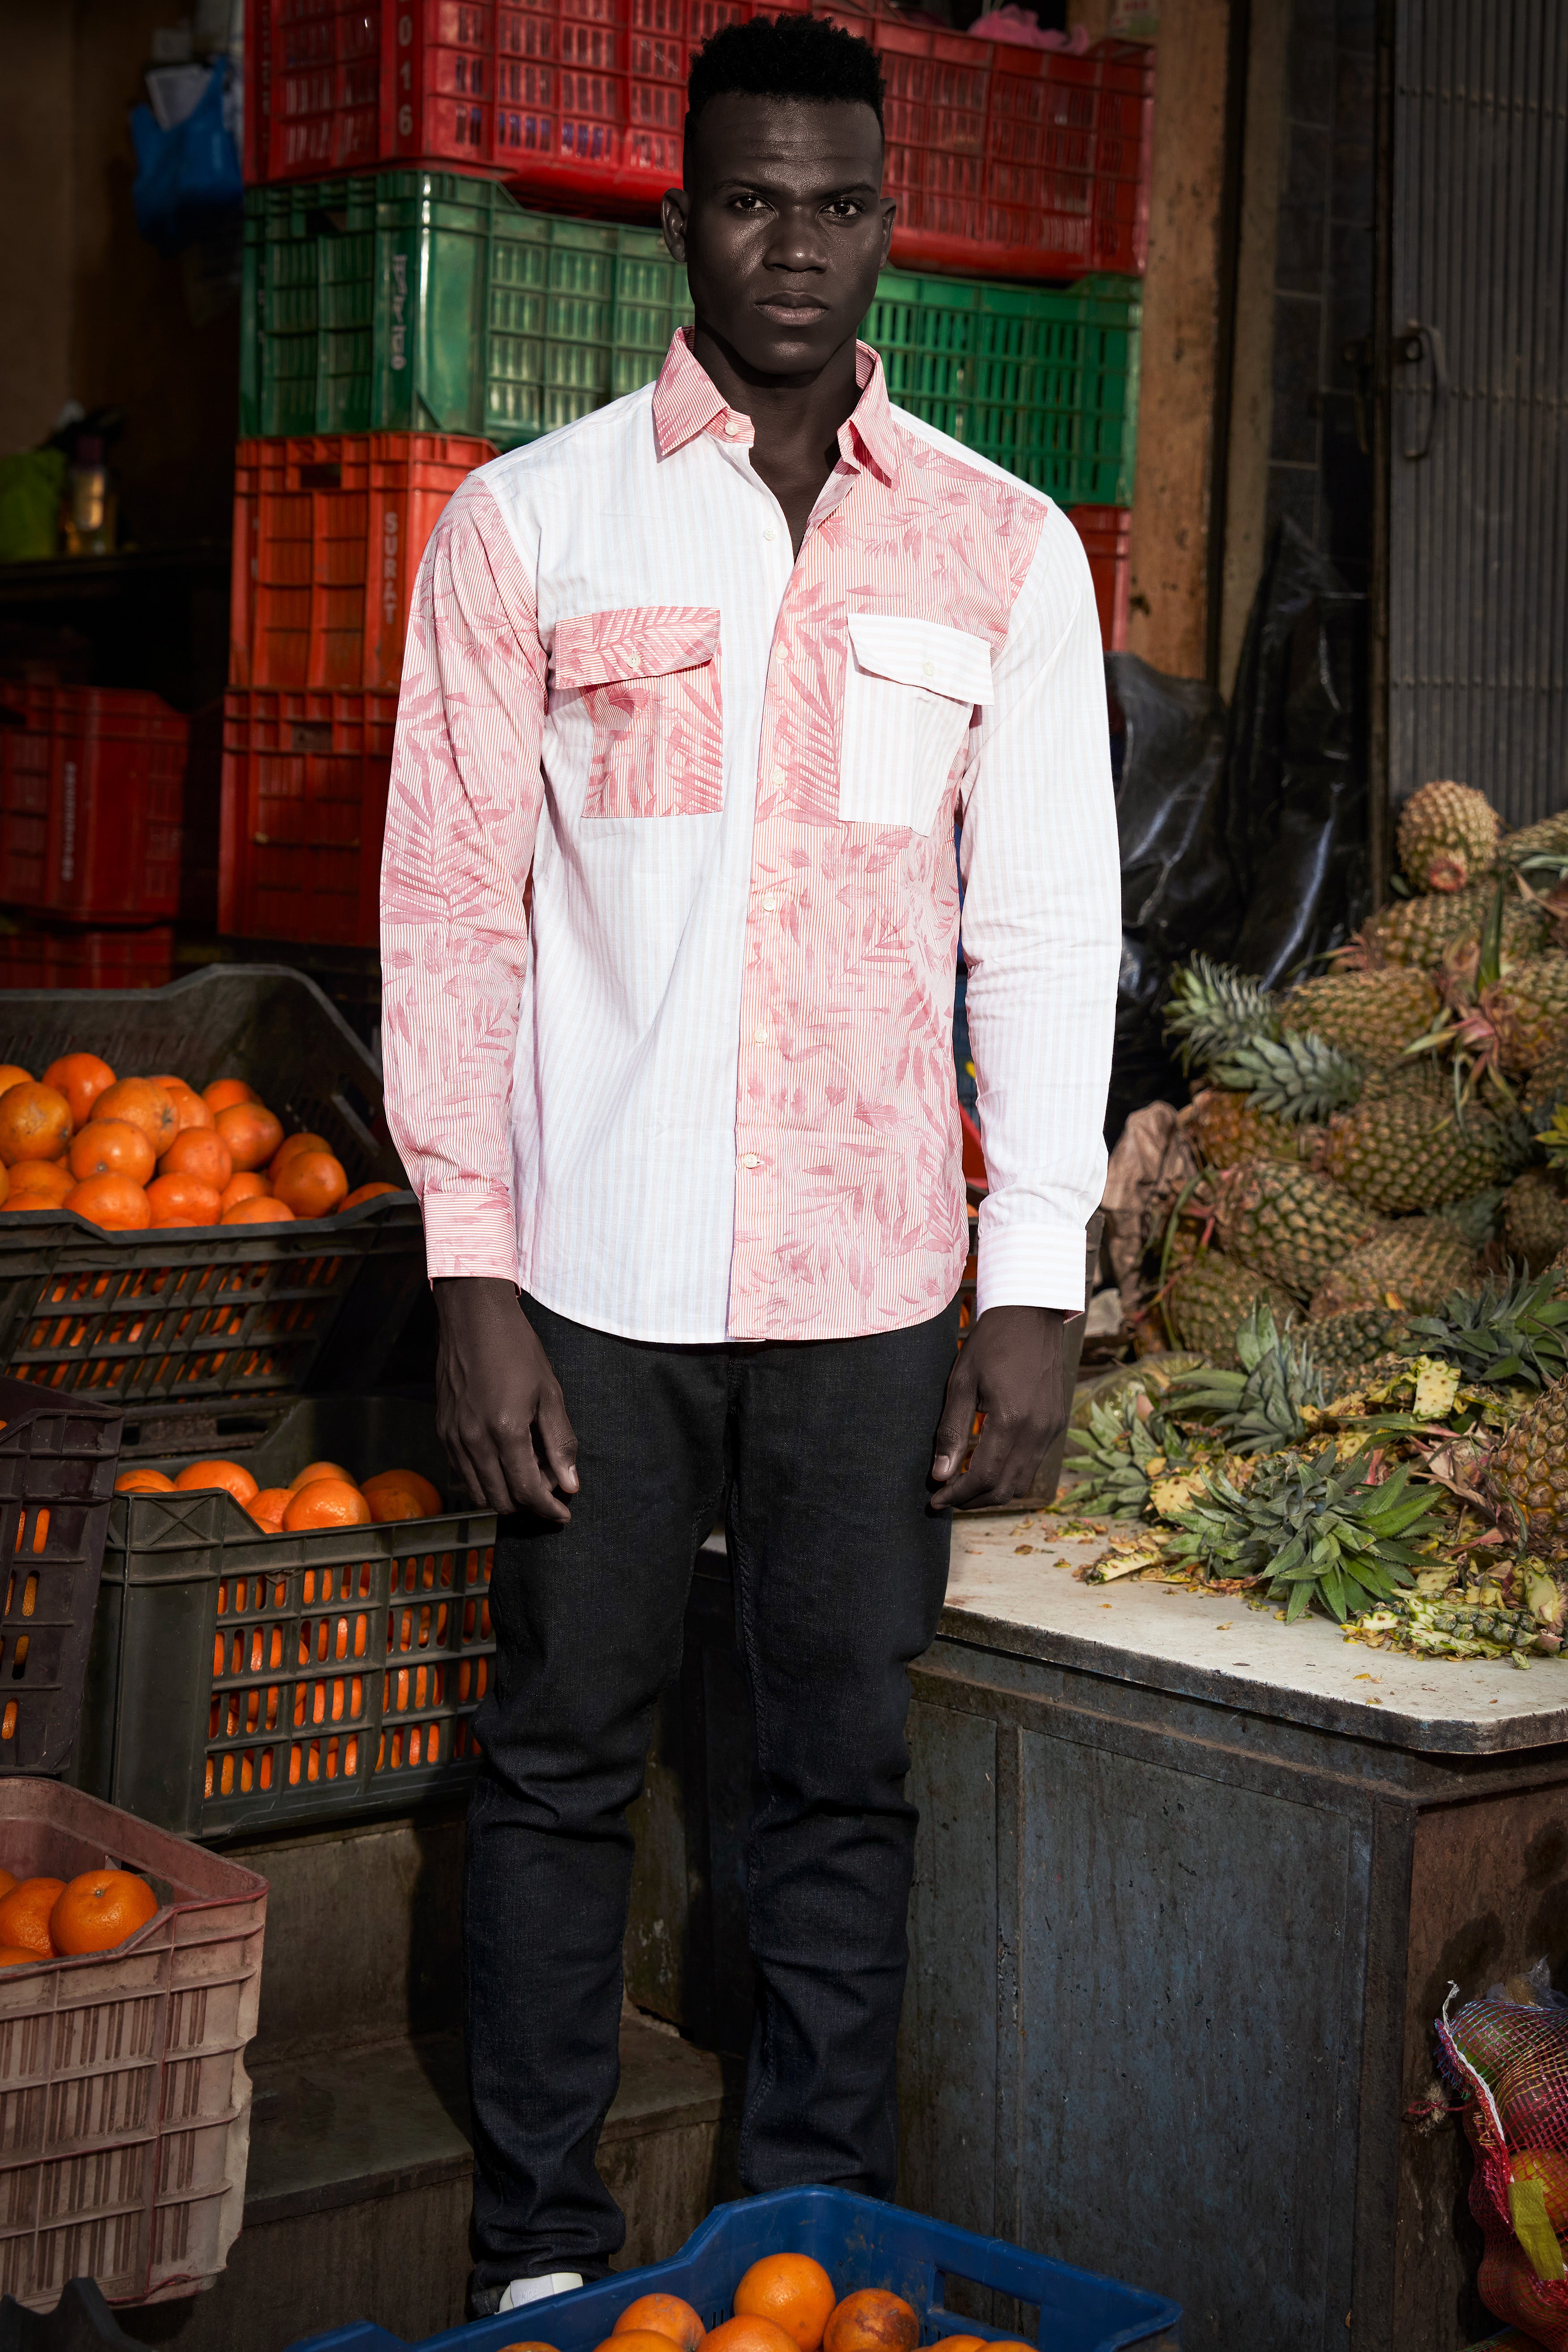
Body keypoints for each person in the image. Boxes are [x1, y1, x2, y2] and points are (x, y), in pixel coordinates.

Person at [379, 9, 1119, 2319]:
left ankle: (802, 2246)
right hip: (591, 1274)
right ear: (680, 220)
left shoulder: (1005, 552)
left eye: (833, 202)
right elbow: (448, 914)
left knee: (833, 1784)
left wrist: (1033, 1268)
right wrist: (469, 1271)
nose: (790, 246)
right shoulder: (530, 524)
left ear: (883, 223)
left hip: (875, 1278)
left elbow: (1047, 927)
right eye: (745, 200)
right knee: (563, 1762)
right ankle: (537, 2265)